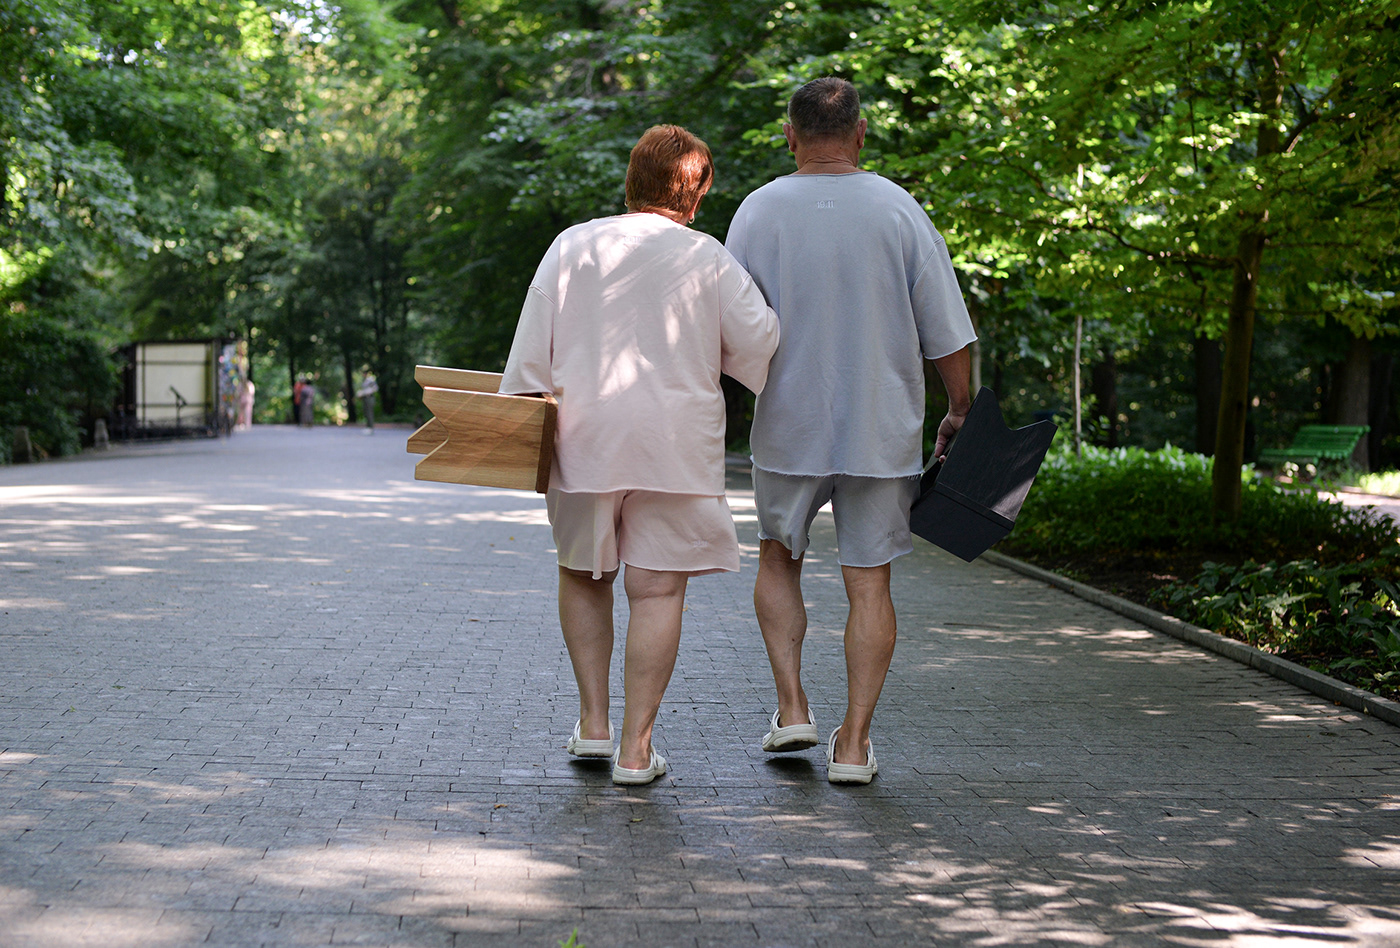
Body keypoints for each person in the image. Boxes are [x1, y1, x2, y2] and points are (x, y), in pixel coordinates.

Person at [499, 125, 779, 786]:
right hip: (674, 444)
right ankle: (635, 748)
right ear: (697, 191)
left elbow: (530, 353)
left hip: (582, 436)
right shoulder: (707, 257)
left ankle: (593, 725)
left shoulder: (574, 244)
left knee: (584, 575)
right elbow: (760, 342)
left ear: (632, 180)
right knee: (656, 591)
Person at [725, 77, 977, 784]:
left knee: (779, 558)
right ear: (861, 133)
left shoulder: (757, 211)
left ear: (790, 135)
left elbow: (728, 324)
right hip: (882, 427)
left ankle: (794, 706)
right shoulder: (900, 210)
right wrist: (958, 411)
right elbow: (949, 332)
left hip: (786, 422)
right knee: (870, 583)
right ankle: (855, 746)